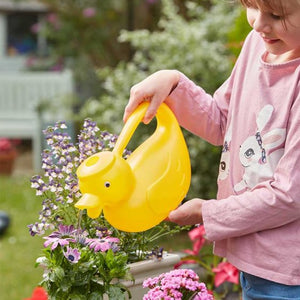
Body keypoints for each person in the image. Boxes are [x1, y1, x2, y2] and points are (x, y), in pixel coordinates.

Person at [123, 0, 300, 299]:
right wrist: (173, 83)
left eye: (276, 15)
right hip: (257, 263)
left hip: (289, 275)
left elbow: (289, 195)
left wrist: (208, 212)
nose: (257, 23)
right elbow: (221, 122)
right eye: (252, 7)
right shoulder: (257, 45)